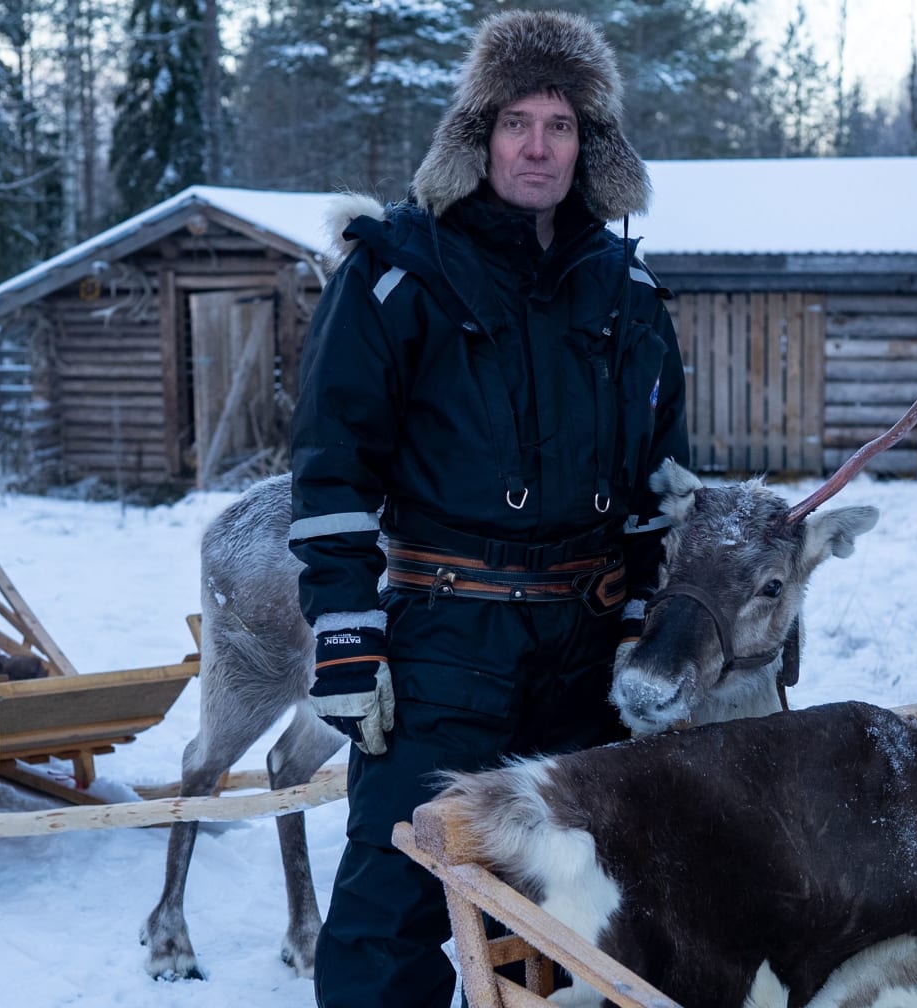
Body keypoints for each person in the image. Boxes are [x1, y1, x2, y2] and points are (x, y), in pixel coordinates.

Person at [286, 10, 690, 1007]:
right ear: (478, 136)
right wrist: (346, 635)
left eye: (561, 125)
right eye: (517, 122)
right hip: (442, 645)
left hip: (585, 653)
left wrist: (648, 625)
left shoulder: (629, 291)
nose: (538, 146)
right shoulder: (396, 274)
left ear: (592, 146)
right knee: (394, 904)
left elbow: (661, 484)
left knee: (570, 913)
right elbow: (333, 468)